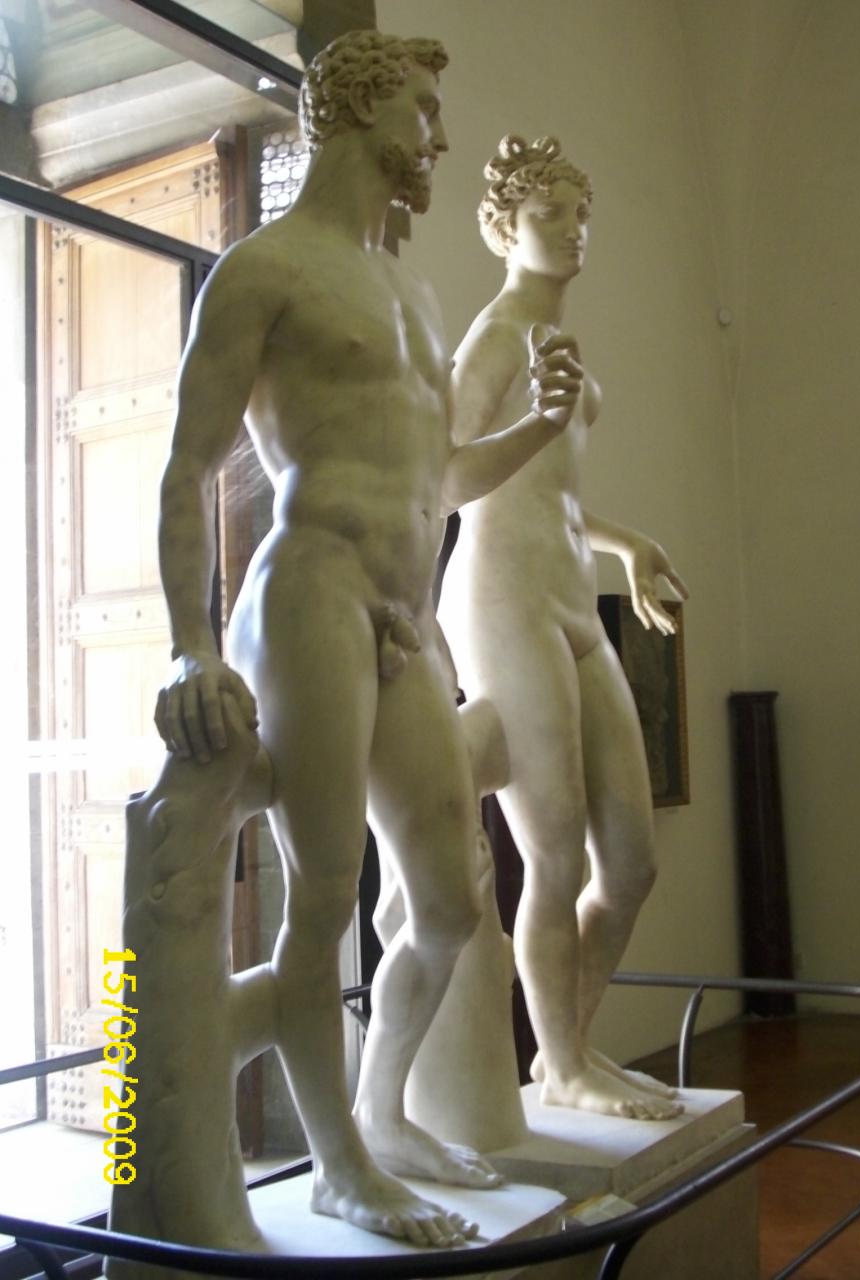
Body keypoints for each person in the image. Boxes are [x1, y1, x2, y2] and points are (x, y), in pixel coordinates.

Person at [152, 43, 583, 1247]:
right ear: (355, 108)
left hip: (406, 615)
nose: (437, 135)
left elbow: (438, 479)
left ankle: (384, 1115)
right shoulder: (262, 270)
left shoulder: (415, 293)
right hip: (312, 592)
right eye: (423, 109)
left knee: (449, 898)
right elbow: (187, 468)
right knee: (327, 891)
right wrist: (191, 646)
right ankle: (338, 1159)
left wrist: (539, 428)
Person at [439, 135, 689, 1121]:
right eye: (550, 214)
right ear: (505, 228)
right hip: (502, 601)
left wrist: (630, 546)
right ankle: (568, 1065)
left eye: (580, 213)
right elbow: (442, 478)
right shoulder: (498, 337)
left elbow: (555, 498)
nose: (573, 229)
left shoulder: (559, 345)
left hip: (572, 600)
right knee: (554, 857)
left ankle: (564, 1056)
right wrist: (537, 424)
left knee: (629, 865)